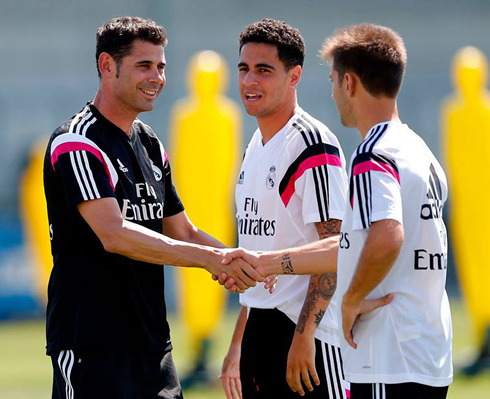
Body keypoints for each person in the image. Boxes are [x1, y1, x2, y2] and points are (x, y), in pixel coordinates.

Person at [43, 16, 264, 399]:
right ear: (107, 66)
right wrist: (208, 260)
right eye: (144, 65)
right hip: (91, 350)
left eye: (161, 67)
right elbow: (114, 235)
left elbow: (184, 230)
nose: (157, 77)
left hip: (154, 350)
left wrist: (244, 262)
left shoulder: (149, 143)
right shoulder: (77, 142)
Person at [219, 18, 350, 399]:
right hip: (258, 331)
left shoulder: (312, 144)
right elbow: (254, 256)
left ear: (294, 76)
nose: (249, 81)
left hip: (304, 337)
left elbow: (337, 247)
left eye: (264, 70)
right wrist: (237, 345)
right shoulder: (254, 147)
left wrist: (306, 335)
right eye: (243, 69)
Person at [321, 23, 453, 398]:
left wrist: (349, 302)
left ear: (349, 84)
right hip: (426, 350)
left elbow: (388, 235)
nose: (333, 93)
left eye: (333, 81)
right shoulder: (418, 149)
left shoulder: (372, 153)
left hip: (387, 353)